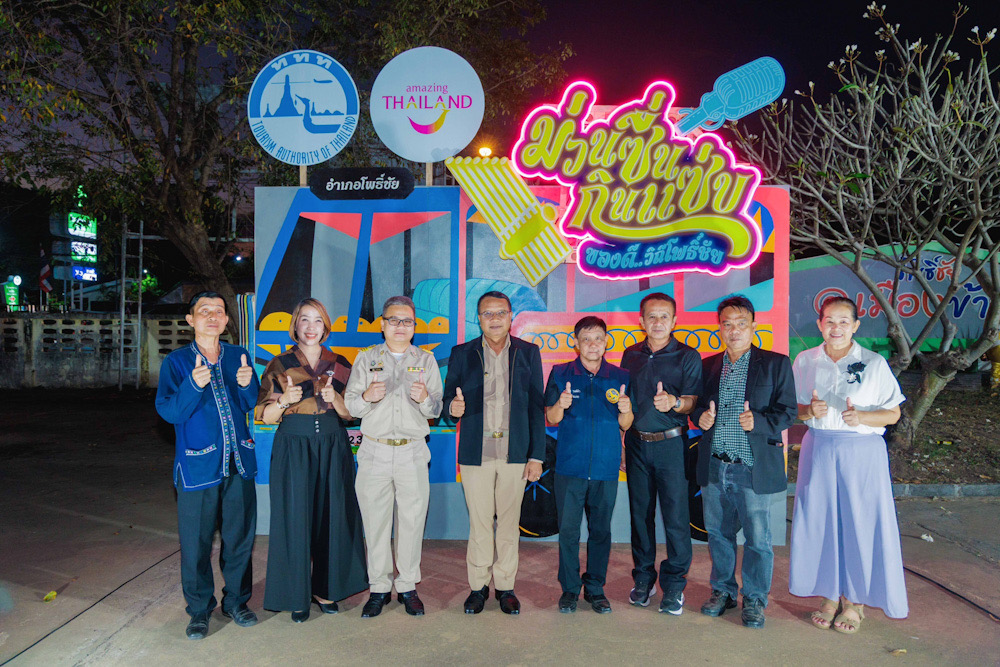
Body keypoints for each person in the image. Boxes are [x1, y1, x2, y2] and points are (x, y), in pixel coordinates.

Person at [790, 295, 908, 634]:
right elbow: (791, 409)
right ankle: (829, 595)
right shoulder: (805, 360)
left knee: (860, 522)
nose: (836, 327)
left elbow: (893, 413)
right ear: (819, 324)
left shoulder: (873, 363)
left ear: (855, 326)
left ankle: (855, 602)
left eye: (844, 321)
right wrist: (807, 412)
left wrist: (863, 417)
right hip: (819, 450)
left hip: (862, 453)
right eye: (829, 320)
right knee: (821, 522)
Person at [155, 291, 260, 640]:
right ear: (191, 320)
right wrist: (193, 385)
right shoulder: (177, 362)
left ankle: (236, 602)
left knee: (239, 539)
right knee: (196, 543)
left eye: (219, 311)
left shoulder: (238, 355)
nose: (213, 316)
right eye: (204, 311)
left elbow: (249, 402)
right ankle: (199, 609)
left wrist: (247, 384)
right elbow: (170, 412)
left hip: (239, 462)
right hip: (198, 466)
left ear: (227, 320)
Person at [255, 298, 367, 623]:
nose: (311, 327)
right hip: (293, 445)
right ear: (295, 325)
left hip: (333, 444)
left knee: (332, 518)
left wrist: (337, 400)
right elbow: (264, 415)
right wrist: (284, 402)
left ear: (326, 327)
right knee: (295, 519)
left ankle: (326, 590)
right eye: (304, 319)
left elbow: (351, 414)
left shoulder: (340, 363)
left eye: (317, 320)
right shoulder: (280, 364)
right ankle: (296, 595)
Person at [691, 296, 797, 628]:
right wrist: (700, 418)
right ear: (719, 328)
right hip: (715, 464)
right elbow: (697, 407)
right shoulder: (708, 366)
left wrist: (760, 421)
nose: (734, 330)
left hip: (752, 467)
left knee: (758, 539)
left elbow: (788, 412)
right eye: (727, 324)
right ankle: (723, 591)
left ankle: (754, 598)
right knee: (718, 534)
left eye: (741, 323)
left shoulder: (776, 363)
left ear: (753, 326)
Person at [442, 290, 545, 615]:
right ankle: (478, 588)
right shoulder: (462, 353)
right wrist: (452, 408)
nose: (495, 319)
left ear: (511, 316)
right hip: (477, 453)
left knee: (510, 525)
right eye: (488, 313)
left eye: (501, 312)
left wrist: (536, 456)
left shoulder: (528, 352)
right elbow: (447, 401)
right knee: (480, 524)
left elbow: (536, 406)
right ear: (479, 318)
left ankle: (505, 587)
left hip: (516, 453)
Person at [345, 296, 443, 618]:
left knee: (412, 522)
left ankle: (408, 586)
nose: (401, 326)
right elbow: (351, 406)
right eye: (394, 320)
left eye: (407, 321)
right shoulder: (366, 359)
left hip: (412, 450)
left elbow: (436, 409)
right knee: (375, 522)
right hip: (374, 450)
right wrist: (367, 396)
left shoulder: (426, 360)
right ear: (383, 324)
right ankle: (379, 587)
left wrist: (425, 398)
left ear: (414, 326)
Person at [619, 292, 701, 615]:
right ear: (641, 321)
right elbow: (625, 404)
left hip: (672, 446)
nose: (657, 322)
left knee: (676, 517)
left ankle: (675, 585)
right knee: (640, 516)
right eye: (651, 316)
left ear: (674, 321)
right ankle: (643, 578)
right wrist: (623, 441)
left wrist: (674, 403)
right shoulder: (630, 355)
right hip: (637, 444)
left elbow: (693, 401)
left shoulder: (688, 356)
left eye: (664, 316)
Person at [544, 316, 633, 614]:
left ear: (606, 342)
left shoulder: (620, 376)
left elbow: (626, 424)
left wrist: (626, 410)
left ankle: (595, 588)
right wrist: (561, 404)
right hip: (570, 467)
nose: (593, 344)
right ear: (576, 343)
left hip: (606, 468)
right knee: (569, 531)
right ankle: (570, 589)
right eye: (586, 339)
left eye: (598, 339)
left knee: (600, 531)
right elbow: (551, 418)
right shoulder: (560, 373)